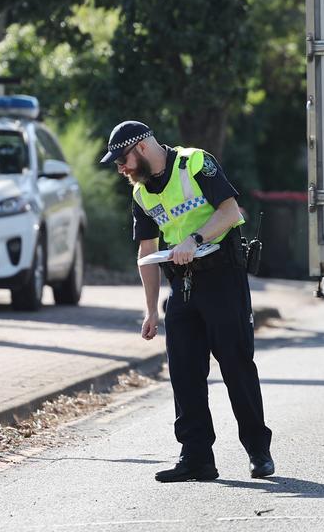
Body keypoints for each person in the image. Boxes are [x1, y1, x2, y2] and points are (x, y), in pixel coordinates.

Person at [101, 120, 274, 482]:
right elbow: (146, 252)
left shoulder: (195, 163)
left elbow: (231, 213)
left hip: (223, 278)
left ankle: (258, 450)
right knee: (184, 373)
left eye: (123, 160)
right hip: (183, 286)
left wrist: (194, 239)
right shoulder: (141, 193)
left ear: (143, 148)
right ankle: (196, 457)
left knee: (236, 365)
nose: (121, 169)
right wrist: (150, 310)